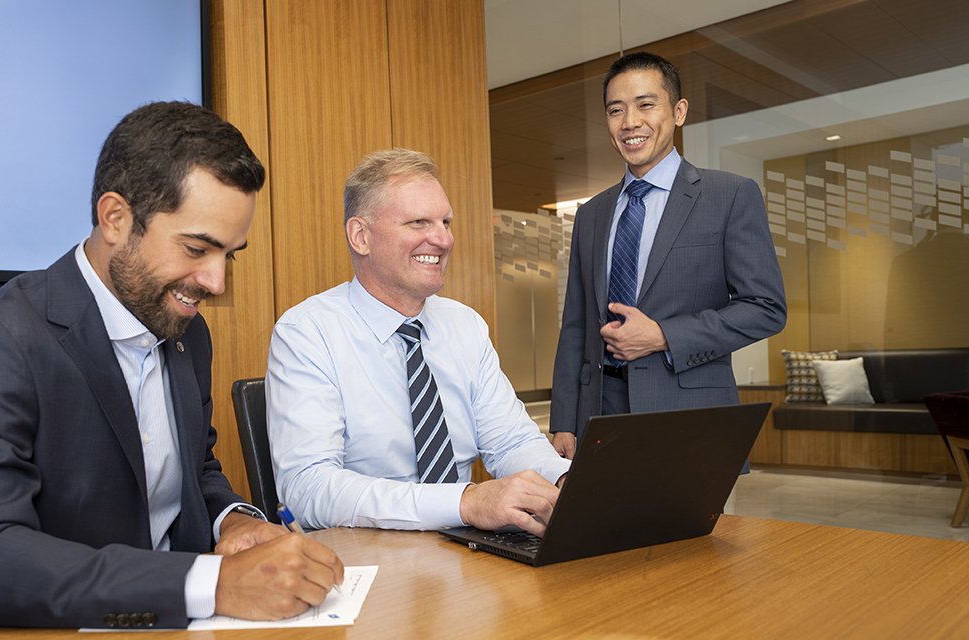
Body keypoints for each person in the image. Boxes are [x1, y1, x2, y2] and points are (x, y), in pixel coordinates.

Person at [0, 101, 343, 629]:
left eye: (229, 256)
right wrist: (210, 584)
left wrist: (233, 521)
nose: (216, 282)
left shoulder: (187, 332)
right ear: (116, 218)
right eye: (196, 249)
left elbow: (196, 469)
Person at [266, 149, 571, 537]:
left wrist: (565, 484)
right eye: (418, 222)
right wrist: (464, 503)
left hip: (467, 552)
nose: (443, 239)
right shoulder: (307, 332)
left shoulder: (465, 325)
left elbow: (510, 441)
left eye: (446, 221)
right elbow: (308, 490)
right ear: (361, 236)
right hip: (372, 563)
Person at [549, 52, 787, 458]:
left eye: (646, 104)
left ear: (678, 112)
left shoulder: (729, 195)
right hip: (598, 413)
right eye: (615, 110)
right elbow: (576, 324)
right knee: (601, 523)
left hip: (688, 413)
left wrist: (663, 337)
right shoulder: (591, 214)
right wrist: (563, 421)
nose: (630, 122)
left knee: (691, 526)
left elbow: (766, 308)